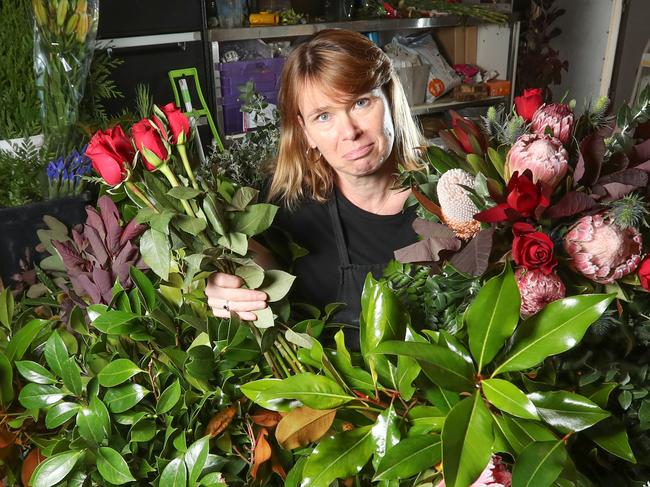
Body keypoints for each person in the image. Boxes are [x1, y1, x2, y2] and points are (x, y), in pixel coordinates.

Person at [206, 29, 425, 347]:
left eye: (361, 103)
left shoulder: (448, 199)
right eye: (324, 116)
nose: (349, 131)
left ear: (390, 98)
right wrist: (227, 288)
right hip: (320, 391)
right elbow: (254, 270)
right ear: (305, 131)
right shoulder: (288, 206)